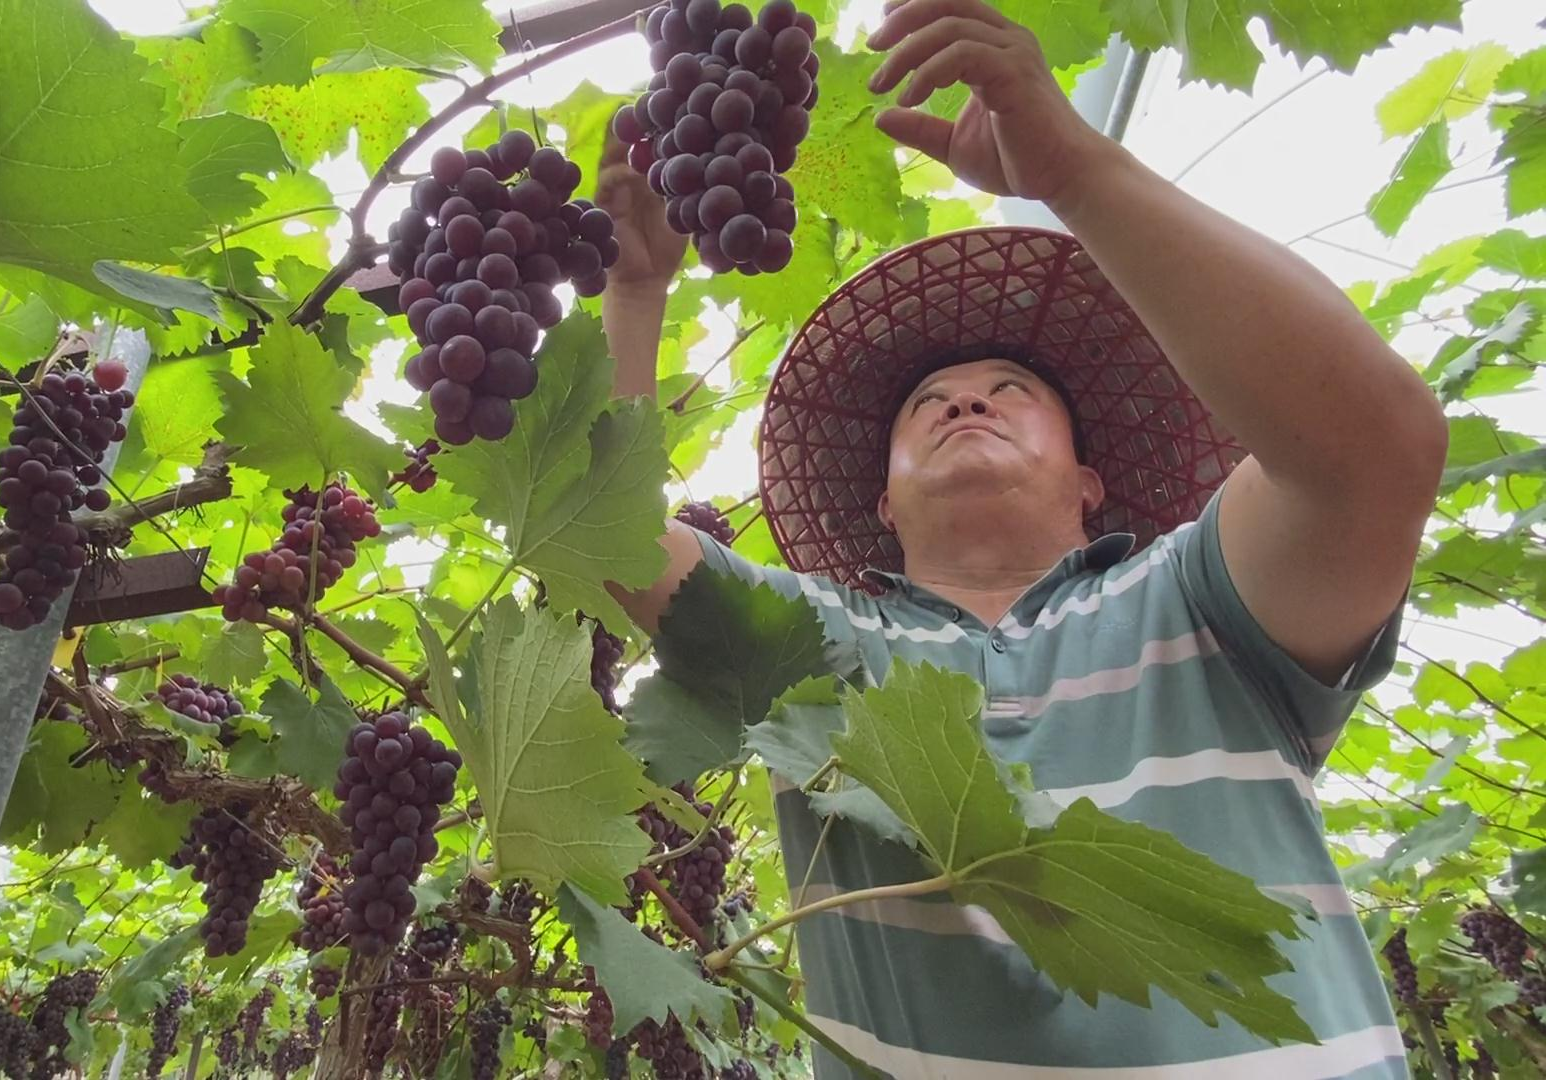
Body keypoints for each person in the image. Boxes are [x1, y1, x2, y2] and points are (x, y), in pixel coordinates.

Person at [596, 1, 1447, 1076]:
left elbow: (1376, 450)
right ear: (886, 507)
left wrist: (1077, 175)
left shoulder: (1199, 593)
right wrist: (635, 295)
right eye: (929, 405)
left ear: (1091, 481)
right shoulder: (811, 642)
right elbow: (617, 543)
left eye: (1011, 390)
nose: (967, 405)